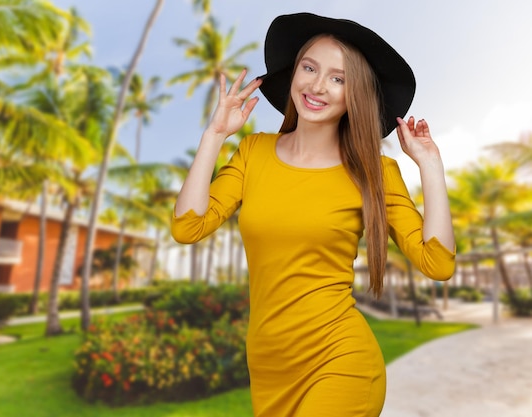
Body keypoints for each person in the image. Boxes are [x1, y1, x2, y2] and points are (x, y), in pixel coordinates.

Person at [171, 12, 455, 417]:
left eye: (338, 78)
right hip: (270, 367)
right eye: (309, 67)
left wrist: (429, 165)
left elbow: (438, 261)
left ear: (353, 94)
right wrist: (214, 136)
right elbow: (188, 226)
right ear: (294, 73)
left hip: (340, 361)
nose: (318, 86)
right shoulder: (254, 154)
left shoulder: (375, 173)